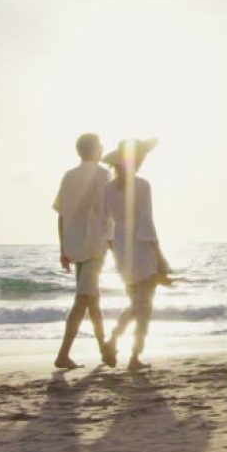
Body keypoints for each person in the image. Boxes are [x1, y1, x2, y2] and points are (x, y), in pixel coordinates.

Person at [102, 138, 169, 371]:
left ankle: (113, 340)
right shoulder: (142, 185)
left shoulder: (107, 189)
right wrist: (159, 255)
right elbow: (146, 223)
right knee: (144, 305)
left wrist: (115, 250)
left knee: (136, 302)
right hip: (141, 247)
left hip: (121, 246)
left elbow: (105, 225)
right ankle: (133, 356)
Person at [52, 133, 116, 369]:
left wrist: (63, 249)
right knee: (83, 300)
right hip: (95, 246)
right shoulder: (103, 174)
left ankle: (104, 349)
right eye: (101, 147)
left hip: (74, 247)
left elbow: (61, 215)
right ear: (96, 150)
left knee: (93, 300)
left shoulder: (68, 176)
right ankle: (63, 354)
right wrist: (113, 241)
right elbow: (108, 210)